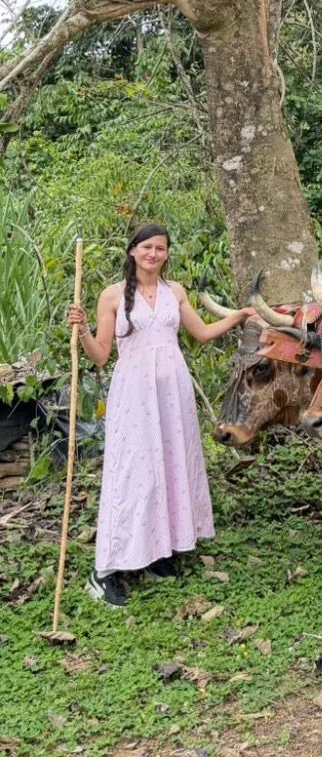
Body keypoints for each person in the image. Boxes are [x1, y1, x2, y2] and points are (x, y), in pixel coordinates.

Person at [66, 223, 255, 609]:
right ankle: (104, 571)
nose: (154, 254)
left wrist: (240, 315)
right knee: (133, 472)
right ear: (133, 251)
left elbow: (201, 334)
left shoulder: (176, 292)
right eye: (147, 247)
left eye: (161, 248)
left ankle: (157, 553)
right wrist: (82, 329)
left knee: (169, 466)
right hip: (134, 395)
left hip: (173, 393)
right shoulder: (113, 296)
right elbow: (101, 355)